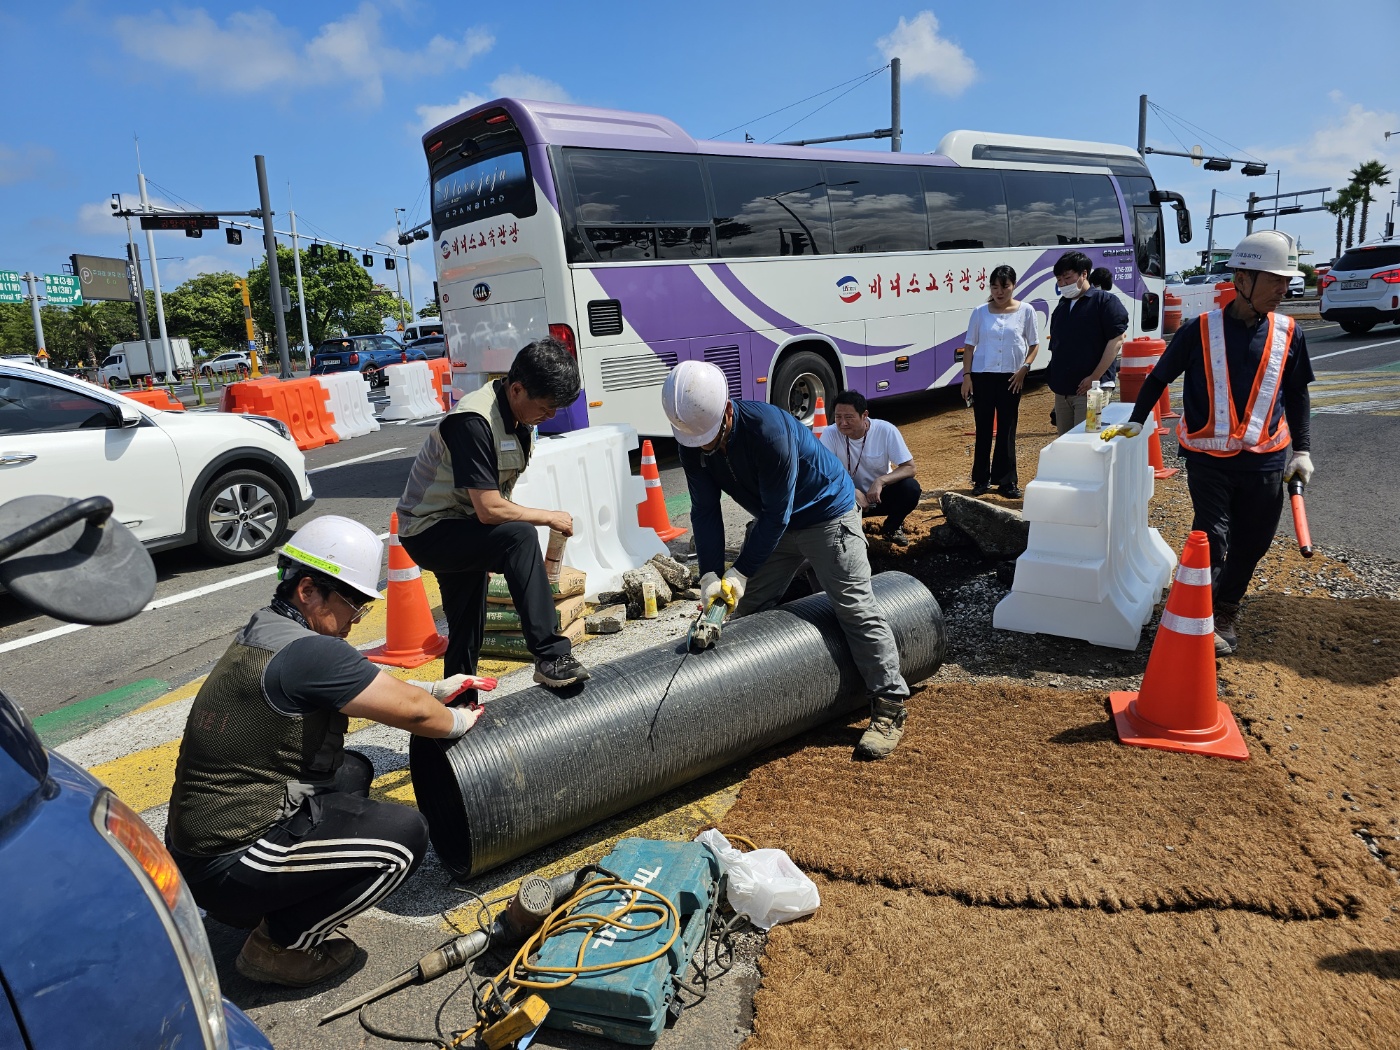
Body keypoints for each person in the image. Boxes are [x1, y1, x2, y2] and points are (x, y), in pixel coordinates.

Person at [166, 516, 485, 987]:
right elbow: (417, 716)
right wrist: (459, 719)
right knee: (401, 840)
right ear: (308, 590)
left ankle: (262, 905)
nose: (356, 621)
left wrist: (435, 688)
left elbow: (370, 687)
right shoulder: (312, 653)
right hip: (228, 861)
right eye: (353, 604)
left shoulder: (270, 631)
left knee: (349, 772)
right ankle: (278, 946)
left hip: (198, 848)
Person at [662, 360, 912, 760]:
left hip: (827, 515)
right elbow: (705, 511)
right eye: (699, 442)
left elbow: (779, 512)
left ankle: (889, 705)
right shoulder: (693, 439)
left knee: (854, 608)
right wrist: (710, 573)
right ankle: (737, 701)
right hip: (776, 524)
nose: (706, 447)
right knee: (737, 610)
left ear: (727, 410)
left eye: (712, 438)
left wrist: (740, 570)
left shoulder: (769, 430)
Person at [1102, 231, 1314, 656]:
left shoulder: (1290, 333)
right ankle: (1202, 615)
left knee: (1254, 541)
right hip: (1207, 459)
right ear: (1242, 278)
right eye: (1274, 279)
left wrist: (1303, 450)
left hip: (1266, 459)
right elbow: (1158, 377)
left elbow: (1297, 394)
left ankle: (1227, 605)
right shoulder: (1198, 331)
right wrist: (1136, 421)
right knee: (1213, 537)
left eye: (1285, 280)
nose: (1283, 289)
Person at [396, 338, 589, 690]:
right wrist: (548, 517)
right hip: (429, 530)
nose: (548, 418)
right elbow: (489, 509)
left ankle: (457, 704)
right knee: (520, 537)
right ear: (517, 389)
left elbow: (496, 494)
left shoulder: (516, 419)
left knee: (468, 624)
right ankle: (550, 655)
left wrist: (483, 550)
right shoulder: (473, 420)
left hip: (459, 526)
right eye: (546, 409)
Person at [960, 264, 1039, 499]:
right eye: (994, 287)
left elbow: (1034, 344)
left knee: (1007, 428)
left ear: (1013, 285)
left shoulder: (1026, 311)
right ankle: (981, 479)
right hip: (982, 377)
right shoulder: (980, 312)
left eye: (1004, 286)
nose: (999, 292)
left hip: (1012, 377)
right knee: (983, 428)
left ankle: (1006, 481)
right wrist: (967, 377)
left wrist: (1024, 369)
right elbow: (969, 347)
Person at [819, 390, 922, 545]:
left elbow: (909, 468)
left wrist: (880, 481)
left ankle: (892, 528)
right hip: (847, 499)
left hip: (879, 496)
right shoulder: (830, 433)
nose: (842, 423)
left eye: (849, 417)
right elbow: (824, 474)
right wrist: (851, 491)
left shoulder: (885, 430)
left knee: (911, 488)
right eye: (838, 417)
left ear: (864, 415)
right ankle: (844, 531)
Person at [1047, 250, 1128, 435]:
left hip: (1092, 391)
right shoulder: (1062, 306)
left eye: (1067, 278)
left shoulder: (1105, 302)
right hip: (1063, 392)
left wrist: (1094, 377)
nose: (1063, 284)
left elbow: (1116, 340)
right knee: (1065, 445)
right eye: (1059, 280)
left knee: (1087, 443)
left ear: (1084, 274)